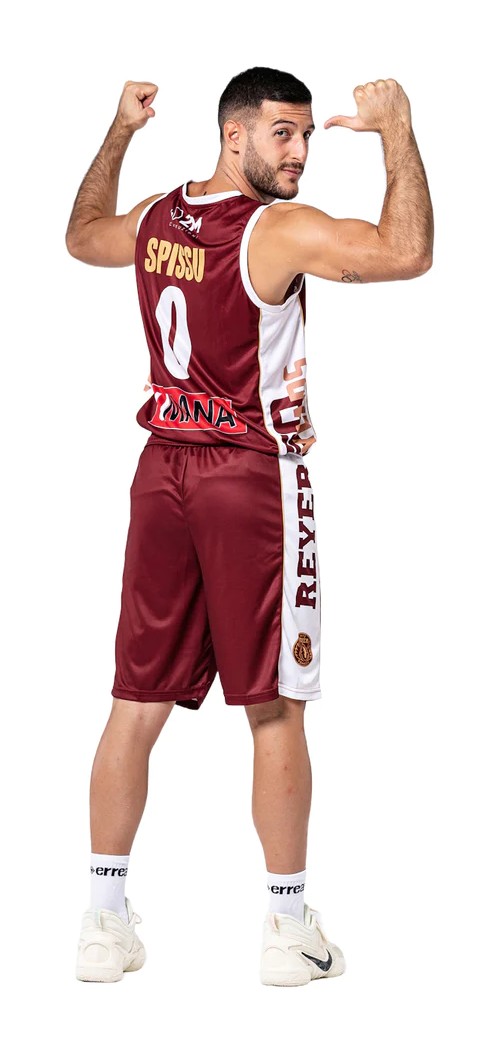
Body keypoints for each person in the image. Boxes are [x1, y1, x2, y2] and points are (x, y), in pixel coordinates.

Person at [66, 67, 433, 986]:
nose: (301, 151)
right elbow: (406, 251)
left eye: (305, 133)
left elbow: (81, 234)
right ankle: (286, 928)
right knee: (273, 705)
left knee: (136, 702)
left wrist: (119, 132)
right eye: (282, 133)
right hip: (247, 479)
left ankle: (102, 925)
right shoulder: (275, 230)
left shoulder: (157, 220)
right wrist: (397, 128)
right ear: (235, 136)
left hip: (160, 474)